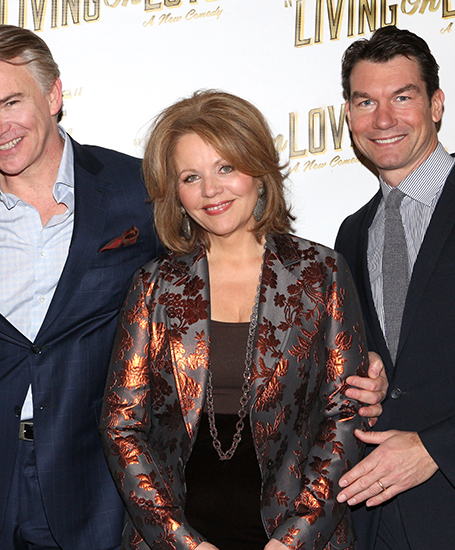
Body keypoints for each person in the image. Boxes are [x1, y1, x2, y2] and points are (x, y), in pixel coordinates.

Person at [100, 90, 371, 550]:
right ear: (176, 194)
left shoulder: (320, 273)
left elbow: (344, 417)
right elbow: (121, 423)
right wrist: (181, 541)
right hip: (179, 534)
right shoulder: (154, 285)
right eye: (191, 176)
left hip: (297, 534)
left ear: (259, 170)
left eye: (226, 167)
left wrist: (294, 539)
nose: (211, 190)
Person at [0, 24, 162, 550]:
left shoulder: (138, 189)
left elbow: (222, 283)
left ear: (54, 95)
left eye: (10, 102)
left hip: (99, 478)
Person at [334, 26, 455, 550]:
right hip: (381, 520)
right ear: (348, 116)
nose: (384, 120)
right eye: (366, 101)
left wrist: (437, 449)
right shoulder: (351, 234)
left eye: (402, 97)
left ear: (436, 104)